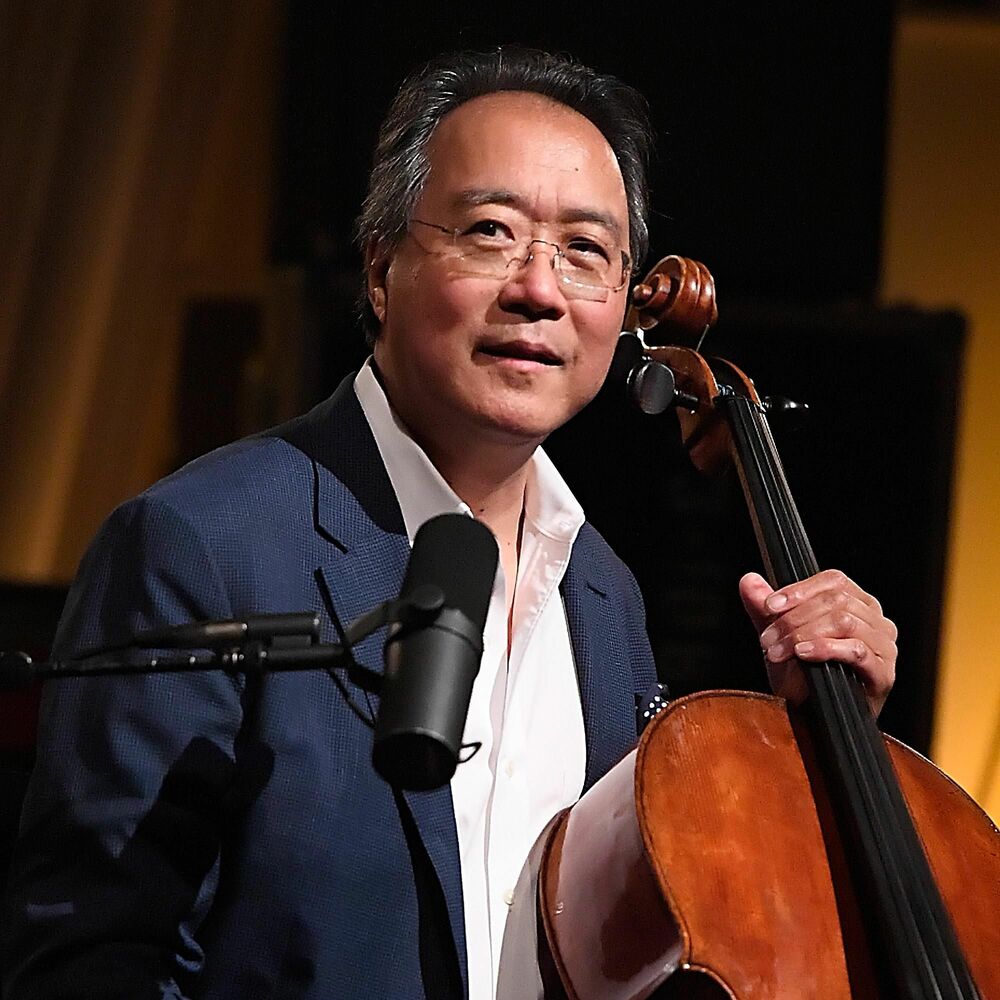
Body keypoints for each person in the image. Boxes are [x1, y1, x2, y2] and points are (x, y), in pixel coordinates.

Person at [2, 48, 897, 1000]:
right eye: (491, 232)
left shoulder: (605, 597)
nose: (539, 289)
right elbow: (92, 961)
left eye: (584, 251)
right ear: (381, 269)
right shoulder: (200, 545)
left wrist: (807, 751)